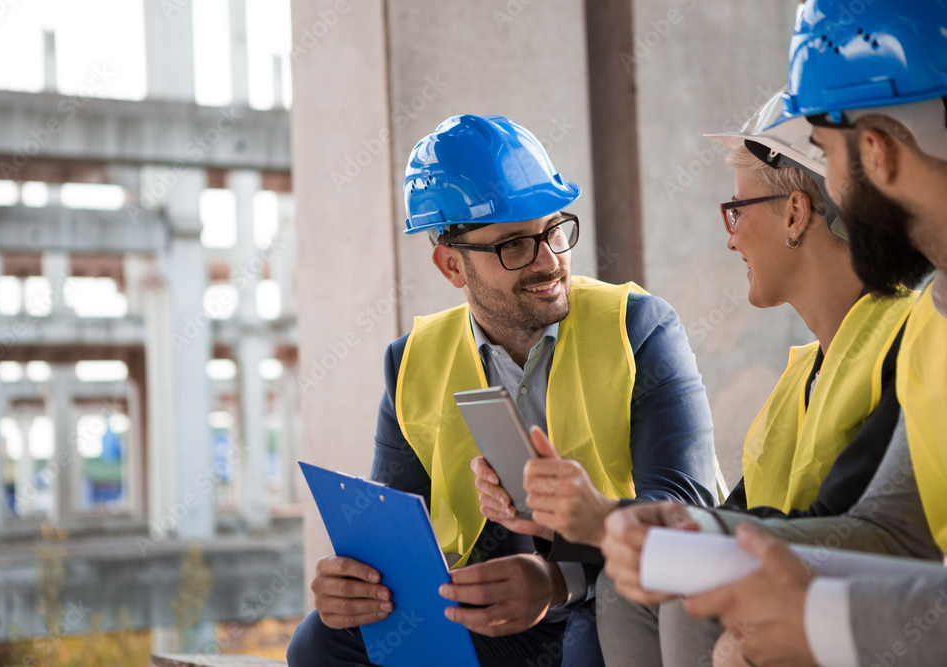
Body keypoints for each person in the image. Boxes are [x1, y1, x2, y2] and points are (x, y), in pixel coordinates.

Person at [475, 89, 919, 665]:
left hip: (857, 616)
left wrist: (610, 518)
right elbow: (733, 517)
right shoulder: (806, 371)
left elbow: (843, 534)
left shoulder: (901, 342)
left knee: (691, 593)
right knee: (626, 587)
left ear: (794, 213)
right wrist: (567, 517)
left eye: (737, 210)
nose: (730, 236)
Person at [285, 114, 718, 666]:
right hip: (495, 613)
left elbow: (683, 507)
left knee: (592, 638)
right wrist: (357, 582)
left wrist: (559, 578)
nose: (549, 260)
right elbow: (395, 532)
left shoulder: (639, 328)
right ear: (451, 266)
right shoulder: (412, 360)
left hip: (618, 592)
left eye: (554, 230)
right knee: (320, 642)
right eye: (514, 244)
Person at [602, 1, 947, 664]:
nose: (830, 198)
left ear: (875, 152)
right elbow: (894, 530)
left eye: (826, 155)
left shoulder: (907, 328)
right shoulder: (936, 317)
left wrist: (828, 618)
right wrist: (698, 528)